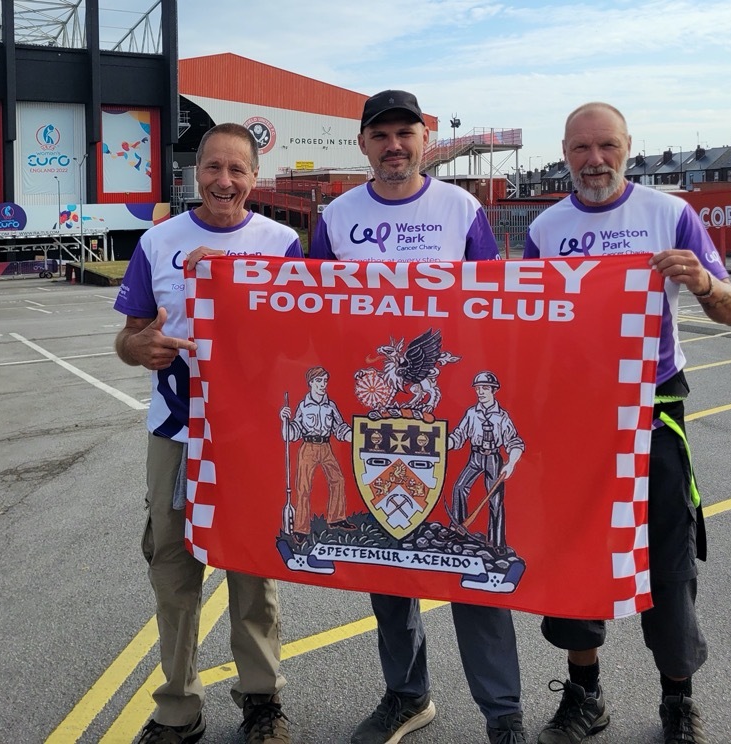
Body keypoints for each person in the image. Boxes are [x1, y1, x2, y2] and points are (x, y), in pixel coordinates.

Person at [311, 90, 527, 744]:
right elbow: (303, 308)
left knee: (473, 565)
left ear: (424, 140)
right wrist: (221, 283)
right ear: (363, 145)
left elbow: (498, 308)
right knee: (387, 560)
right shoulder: (337, 217)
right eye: (381, 135)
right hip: (374, 419)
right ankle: (408, 697)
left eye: (406, 133)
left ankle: (504, 716)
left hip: (452, 416)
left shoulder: (461, 208)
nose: (394, 145)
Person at [523, 102, 731, 744]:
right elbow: (530, 328)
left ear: (628, 146)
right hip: (576, 417)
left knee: (668, 565)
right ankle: (585, 695)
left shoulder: (670, 213)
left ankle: (678, 699)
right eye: (581, 149)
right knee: (575, 558)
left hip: (654, 409)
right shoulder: (545, 228)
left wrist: (702, 278)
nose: (595, 160)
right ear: (564, 152)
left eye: (608, 146)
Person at [114, 123, 302, 744]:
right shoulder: (158, 239)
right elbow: (129, 336)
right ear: (198, 172)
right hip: (174, 428)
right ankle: (178, 707)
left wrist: (235, 275)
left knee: (252, 564)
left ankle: (260, 700)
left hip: (249, 431)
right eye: (213, 168)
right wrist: (137, 347)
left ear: (255, 176)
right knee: (173, 565)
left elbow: (304, 342)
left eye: (237, 170)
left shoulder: (282, 243)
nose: (225, 181)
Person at [279, 366, 356, 544]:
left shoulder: (330, 406)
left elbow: (339, 428)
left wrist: (353, 436)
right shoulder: (303, 407)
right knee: (303, 487)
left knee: (338, 479)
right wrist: (285, 421)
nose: (323, 384)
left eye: (325, 380)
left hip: (326, 446)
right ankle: (300, 528)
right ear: (311, 383)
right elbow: (292, 433)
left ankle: (337, 518)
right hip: (308, 447)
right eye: (319, 381)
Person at [448, 371, 524, 549]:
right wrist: (445, 443)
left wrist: (511, 463)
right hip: (475, 457)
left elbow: (515, 442)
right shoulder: (471, 414)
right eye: (478, 388)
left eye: (485, 388)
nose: (481, 392)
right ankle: (459, 529)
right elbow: (459, 435)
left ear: (493, 390)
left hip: (493, 459)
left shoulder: (502, 417)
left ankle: (497, 542)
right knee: (459, 487)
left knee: (495, 500)